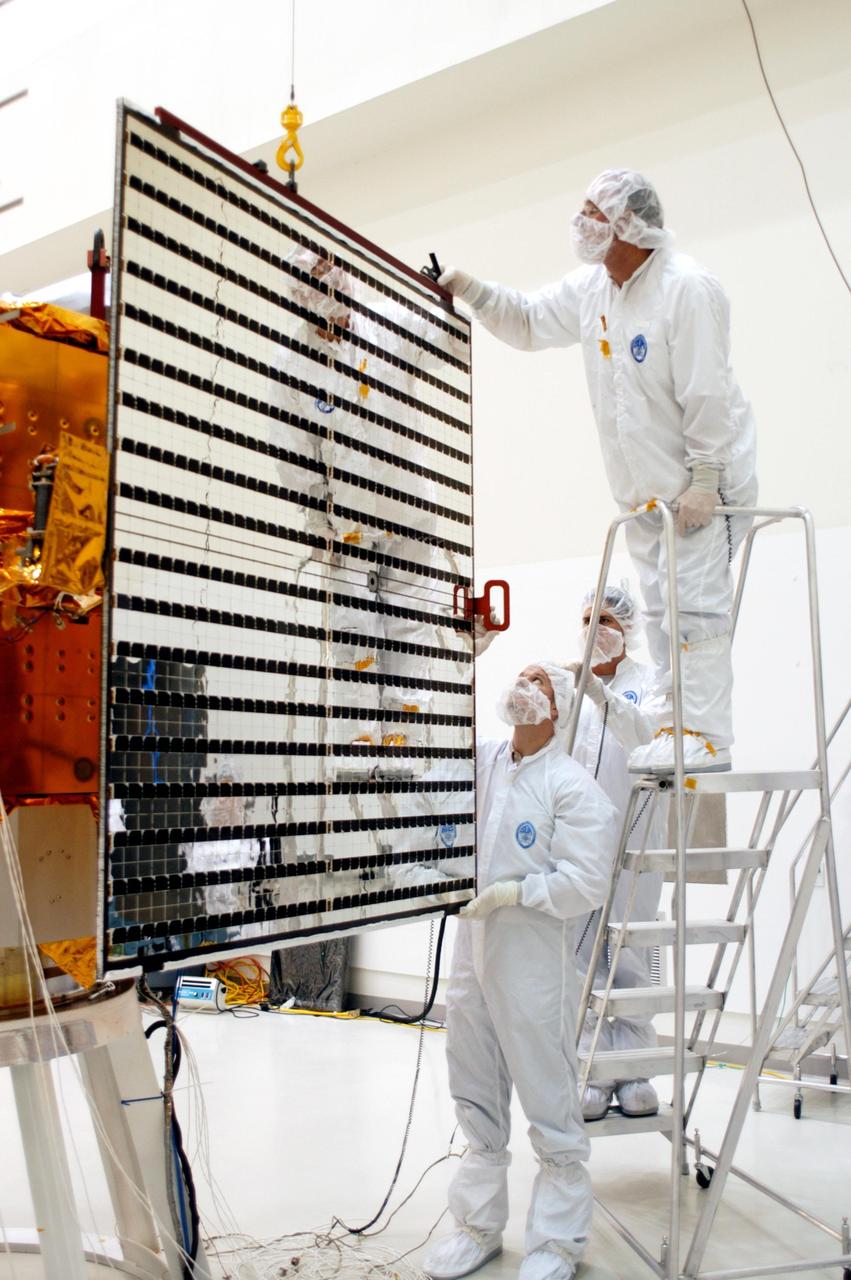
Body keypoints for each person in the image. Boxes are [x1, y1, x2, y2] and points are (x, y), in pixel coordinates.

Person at [438, 169, 758, 773]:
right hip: (646, 500)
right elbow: (529, 319)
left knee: (696, 614)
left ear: (628, 225)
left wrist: (707, 477)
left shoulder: (685, 288)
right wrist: (473, 290)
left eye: (593, 212)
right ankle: (676, 727)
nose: (581, 222)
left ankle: (708, 736)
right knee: (661, 619)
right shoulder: (593, 291)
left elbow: (707, 391)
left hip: (701, 490)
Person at [423, 662, 618, 1280]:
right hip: (471, 950)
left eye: (540, 682)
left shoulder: (572, 786)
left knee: (546, 1087)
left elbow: (587, 882)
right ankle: (477, 1227)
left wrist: (514, 894)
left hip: (533, 959)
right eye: (521, 675)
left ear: (558, 709)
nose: (523, 686)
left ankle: (557, 1242)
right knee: (472, 1076)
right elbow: (426, 782)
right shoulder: (482, 760)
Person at [566, 583, 667, 1120]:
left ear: (627, 628)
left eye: (604, 620)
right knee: (580, 956)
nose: (594, 630)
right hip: (578, 844)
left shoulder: (649, 683)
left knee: (629, 953)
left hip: (636, 839)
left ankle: (634, 1071)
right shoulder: (566, 686)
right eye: (587, 620)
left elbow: (650, 740)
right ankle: (590, 1069)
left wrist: (602, 698)